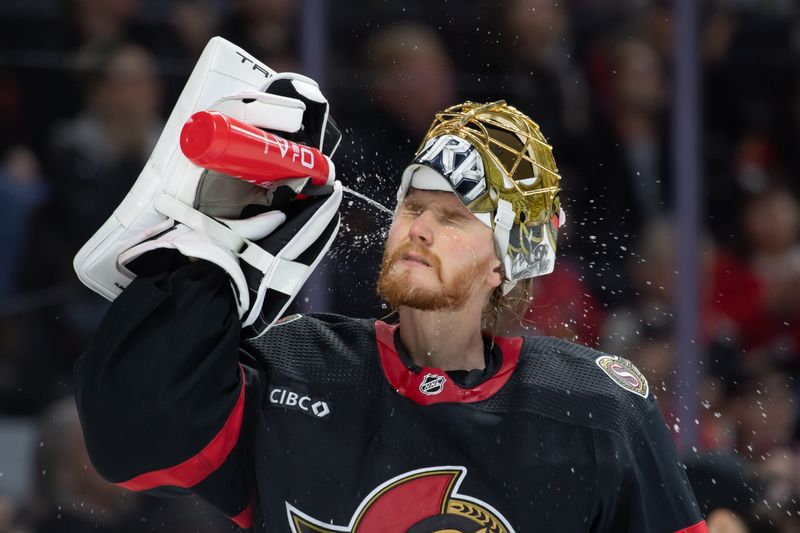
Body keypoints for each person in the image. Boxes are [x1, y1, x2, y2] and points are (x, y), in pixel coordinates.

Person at [73, 52, 708, 531]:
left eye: (454, 217)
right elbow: (132, 442)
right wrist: (211, 257)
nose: (420, 228)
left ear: (504, 265)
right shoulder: (293, 365)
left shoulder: (601, 411)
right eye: (413, 205)